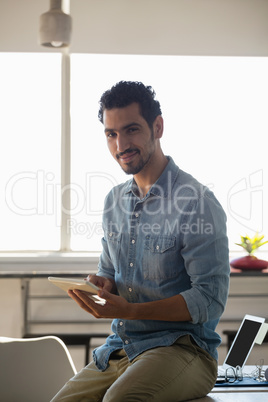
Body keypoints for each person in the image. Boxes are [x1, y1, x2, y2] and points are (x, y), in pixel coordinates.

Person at [52, 81, 230, 401]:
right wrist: (101, 285)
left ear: (157, 127)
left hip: (183, 350)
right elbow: (110, 272)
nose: (121, 144)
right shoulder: (113, 201)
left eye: (131, 129)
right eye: (111, 134)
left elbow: (209, 299)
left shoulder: (196, 202)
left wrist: (130, 310)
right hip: (122, 348)